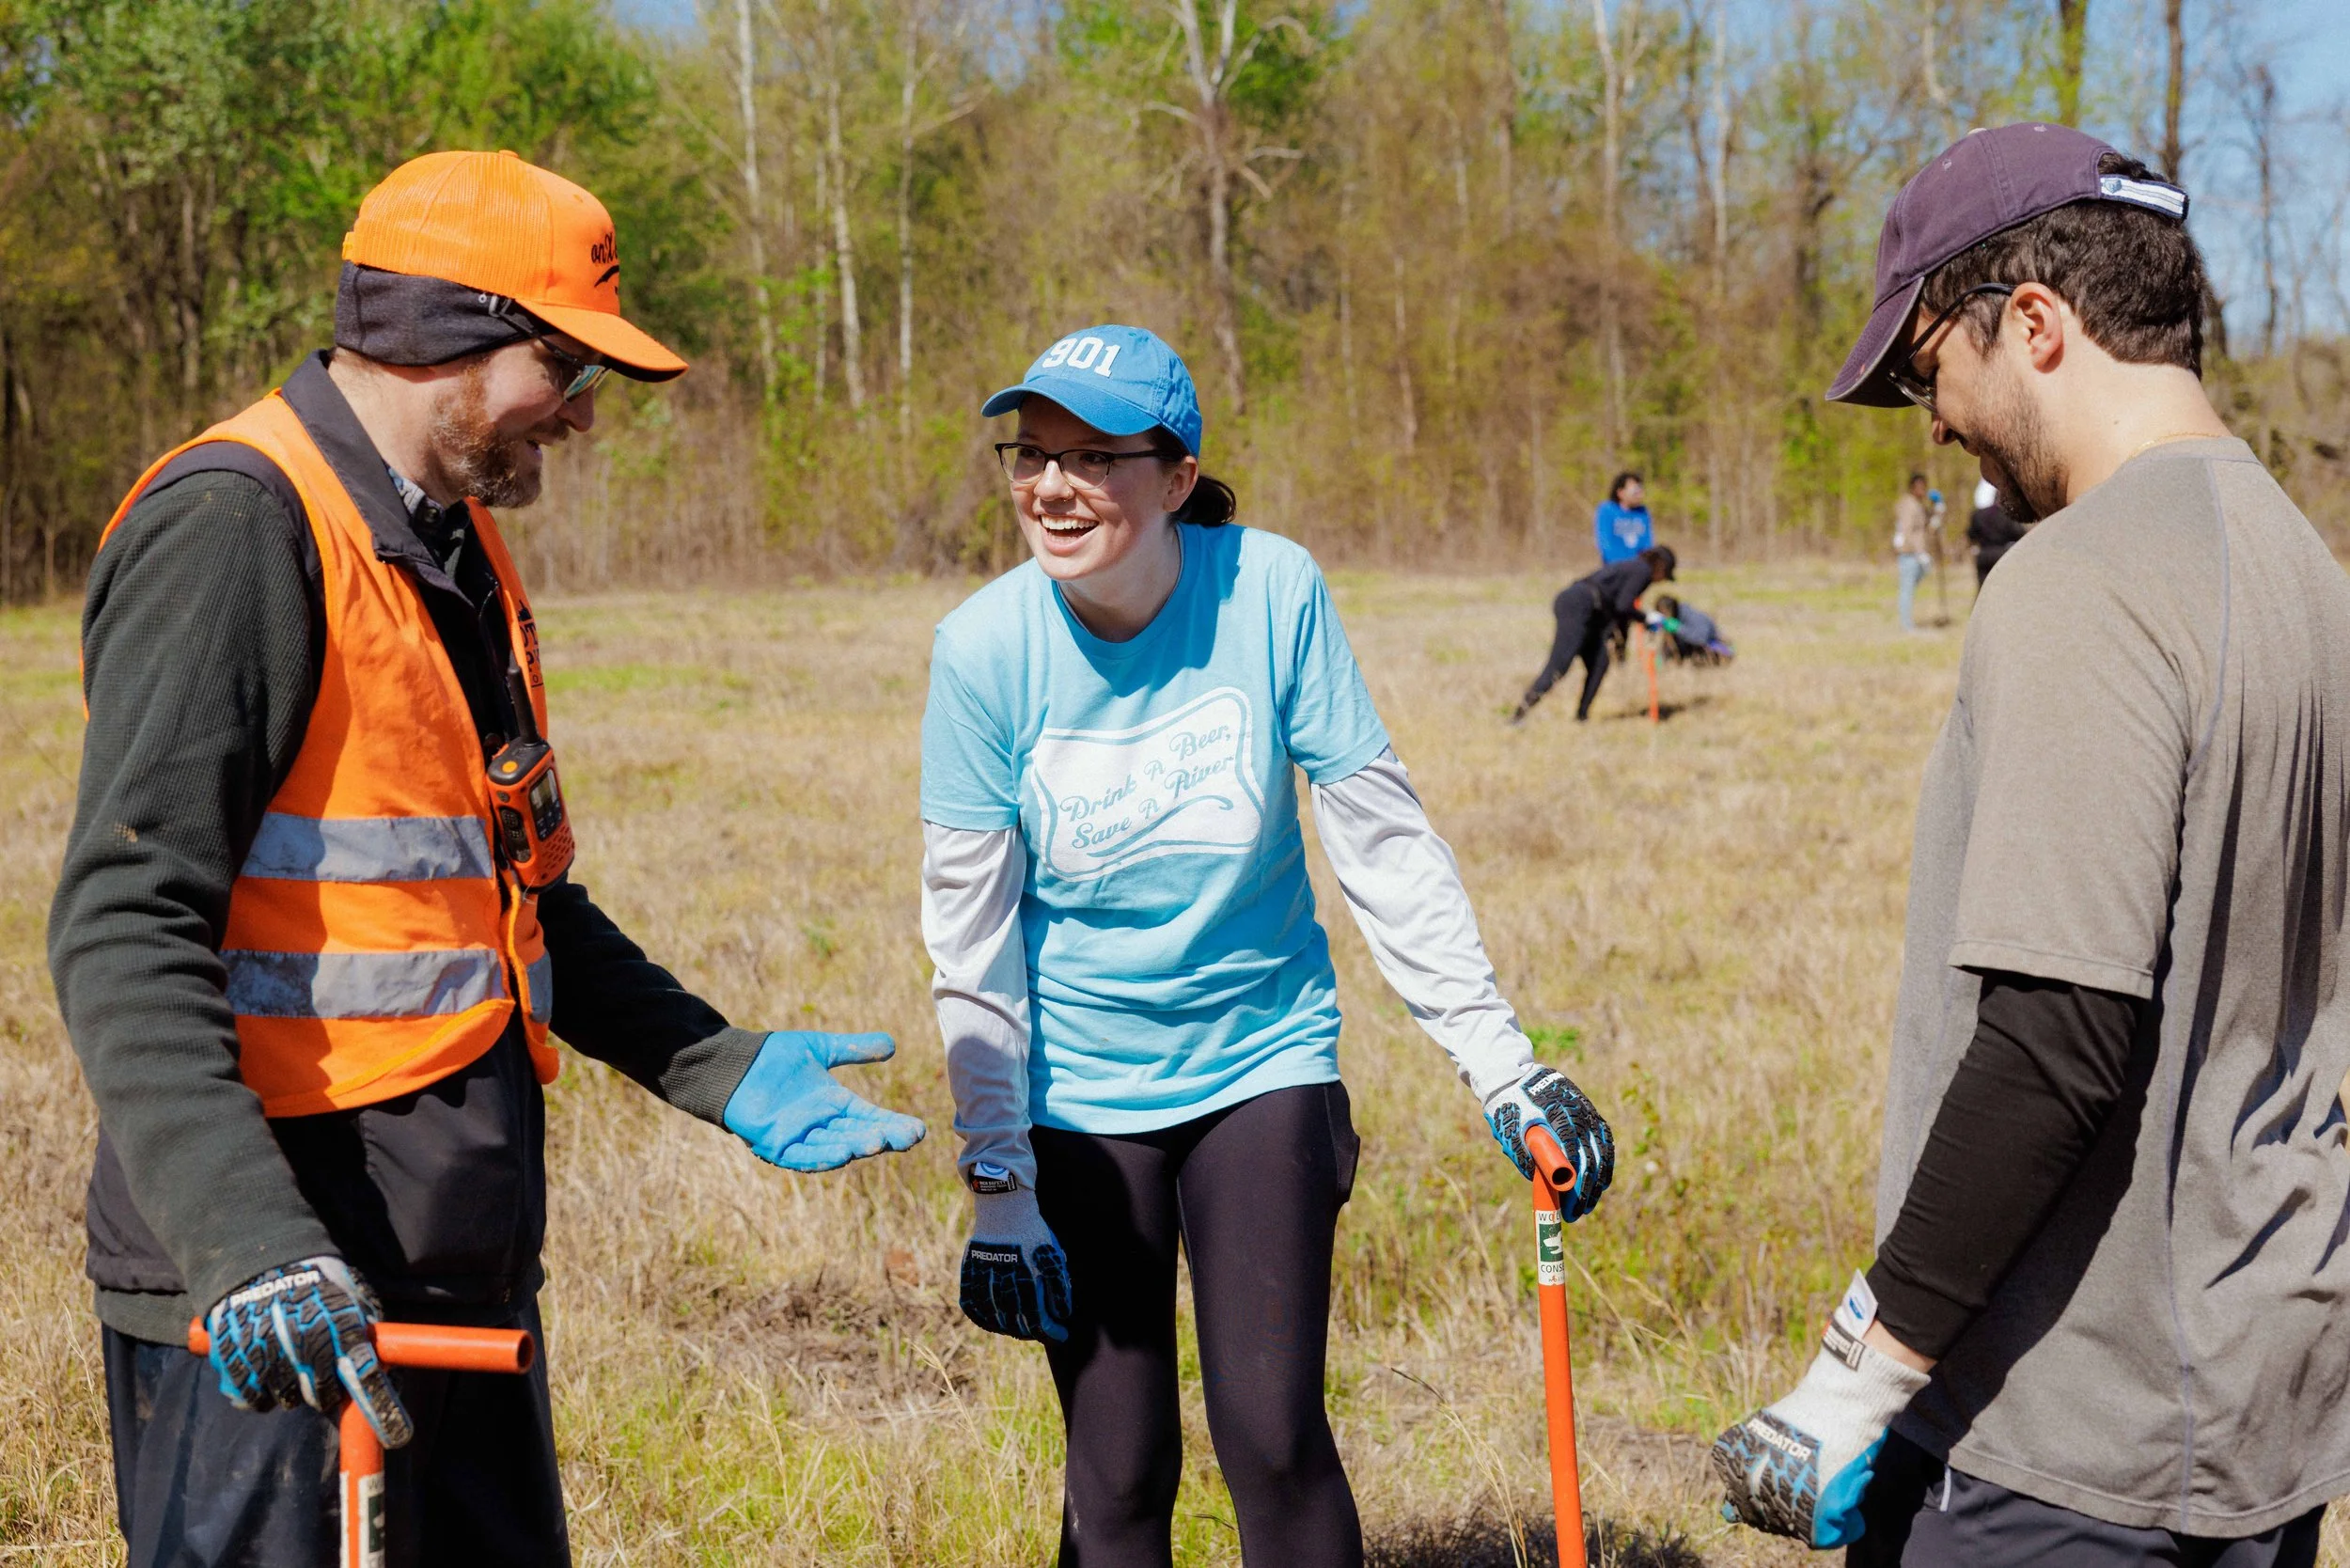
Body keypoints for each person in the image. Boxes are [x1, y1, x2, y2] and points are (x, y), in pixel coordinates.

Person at [48, 150, 927, 1567]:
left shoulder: (445, 544)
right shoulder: (238, 526)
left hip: (446, 1267)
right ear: (443, 335)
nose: (581, 420)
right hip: (282, 1302)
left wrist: (711, 1060)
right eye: (563, 372)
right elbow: (123, 921)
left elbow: (506, 893)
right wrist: (248, 1245)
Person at [1711, 123, 2350, 1567]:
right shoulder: (2305, 568)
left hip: (2070, 1431)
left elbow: (2058, 1035)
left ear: (2039, 325)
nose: (1932, 419)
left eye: (1930, 364)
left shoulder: (2083, 581)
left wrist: (1857, 1380)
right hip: (2262, 1406)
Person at [920, 324, 1616, 1568]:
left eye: (1095, 458)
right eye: (1033, 454)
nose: (1053, 488)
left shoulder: (1270, 590)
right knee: (1118, 1468)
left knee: (1273, 1431)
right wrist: (999, 1180)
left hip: (1262, 1060)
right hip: (1077, 1090)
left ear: (1178, 475)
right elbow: (970, 934)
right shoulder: (985, 650)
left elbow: (1380, 841)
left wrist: (1505, 1068)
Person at [1509, 545, 1676, 723]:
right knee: (1560, 665)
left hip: (1589, 609)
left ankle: (1581, 717)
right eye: (1665, 576)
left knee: (1599, 663)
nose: (1662, 581)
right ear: (1661, 567)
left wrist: (1624, 645)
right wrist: (1647, 618)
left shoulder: (1633, 567)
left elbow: (1620, 611)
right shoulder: (1642, 571)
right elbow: (1623, 606)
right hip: (1580, 605)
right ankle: (1519, 715)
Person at [1964, 478, 2026, 586]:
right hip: (2002, 555)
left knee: (1983, 590)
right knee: (2003, 587)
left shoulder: (1977, 515)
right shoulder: (2005, 514)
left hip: (1983, 555)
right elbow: (2018, 532)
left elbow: (1971, 534)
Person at [1892, 473, 1934, 631]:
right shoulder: (1909, 505)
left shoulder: (1919, 504)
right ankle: (1906, 625)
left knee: (1911, 585)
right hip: (1910, 554)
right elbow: (1906, 530)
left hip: (1918, 552)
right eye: (1919, 487)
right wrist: (1917, 552)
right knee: (1907, 588)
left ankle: (1907, 622)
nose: (1922, 490)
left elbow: (1923, 528)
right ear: (1912, 488)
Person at [1593, 471, 1653, 562]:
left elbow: (1648, 544)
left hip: (1639, 568)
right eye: (1635, 492)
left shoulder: (1642, 512)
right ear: (1620, 493)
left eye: (1640, 491)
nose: (1640, 495)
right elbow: (1605, 543)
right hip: (1615, 568)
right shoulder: (1607, 510)